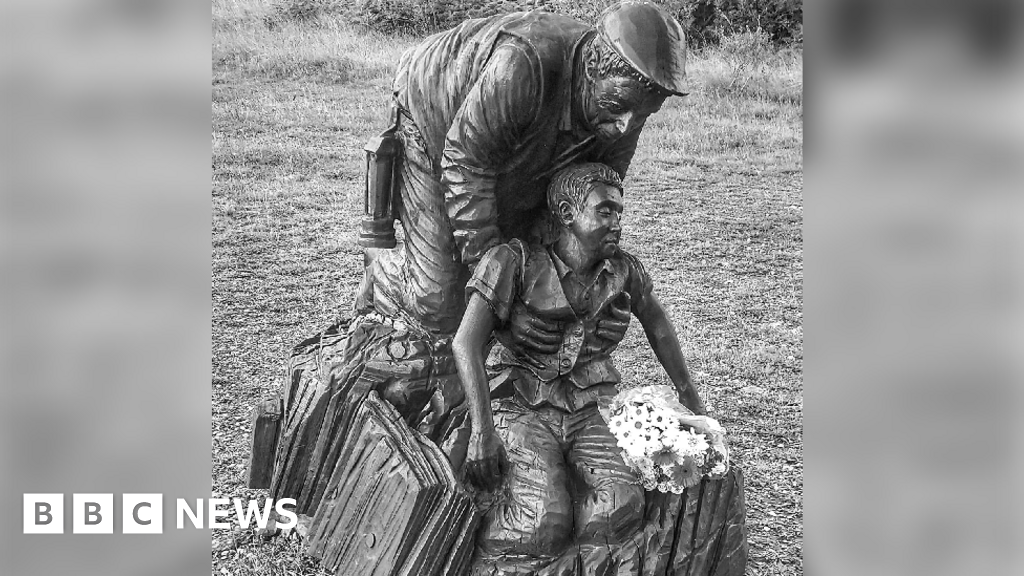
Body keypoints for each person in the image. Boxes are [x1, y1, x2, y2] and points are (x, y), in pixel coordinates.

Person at [358, 1, 690, 347]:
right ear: (593, 66)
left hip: (511, 145)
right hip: (434, 122)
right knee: (440, 302)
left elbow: (583, 210)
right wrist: (501, 297)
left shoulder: (627, 107)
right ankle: (381, 267)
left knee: (528, 268)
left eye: (643, 115)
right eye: (618, 106)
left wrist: (601, 299)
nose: (626, 127)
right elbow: (465, 166)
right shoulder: (522, 66)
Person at [451, 163, 706, 575]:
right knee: (542, 521)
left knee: (620, 505)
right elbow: (466, 343)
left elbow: (657, 324)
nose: (617, 223)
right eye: (604, 211)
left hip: (591, 406)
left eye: (620, 212)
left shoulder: (623, 270)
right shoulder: (511, 262)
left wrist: (689, 397)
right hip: (522, 404)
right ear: (568, 214)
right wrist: (483, 431)